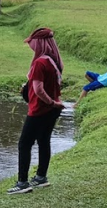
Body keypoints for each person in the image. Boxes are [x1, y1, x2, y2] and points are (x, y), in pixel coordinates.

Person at [7, 28, 65, 195]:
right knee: (43, 141)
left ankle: (22, 182)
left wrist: (51, 102)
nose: (30, 46)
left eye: (32, 43)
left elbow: (39, 90)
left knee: (24, 144)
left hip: (40, 110)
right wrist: (54, 103)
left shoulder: (40, 62)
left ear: (39, 43)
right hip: (53, 110)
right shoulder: (54, 61)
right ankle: (41, 177)